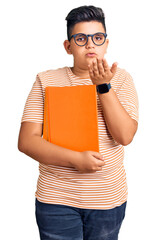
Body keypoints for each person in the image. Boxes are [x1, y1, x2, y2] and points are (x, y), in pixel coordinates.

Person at [18, 5, 139, 240]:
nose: (91, 44)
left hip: (107, 199)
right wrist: (75, 159)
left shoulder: (122, 79)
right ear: (68, 46)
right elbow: (26, 141)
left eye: (97, 37)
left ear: (106, 42)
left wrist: (103, 86)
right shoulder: (46, 80)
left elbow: (124, 136)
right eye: (81, 38)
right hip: (55, 200)